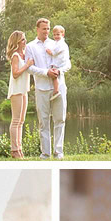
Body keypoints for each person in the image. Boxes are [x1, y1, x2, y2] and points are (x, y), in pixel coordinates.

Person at [23, 18, 66, 161]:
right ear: (37, 29)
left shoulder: (56, 43)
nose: (47, 31)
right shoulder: (30, 47)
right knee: (43, 122)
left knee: (60, 119)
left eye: (48, 29)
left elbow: (67, 63)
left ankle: (58, 152)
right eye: (44, 29)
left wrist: (58, 72)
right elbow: (29, 68)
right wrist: (45, 72)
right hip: (41, 88)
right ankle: (45, 154)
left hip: (58, 86)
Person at [6, 29, 32, 157]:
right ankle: (14, 150)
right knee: (16, 120)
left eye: (24, 38)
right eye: (22, 39)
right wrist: (27, 65)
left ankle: (19, 149)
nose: (25, 41)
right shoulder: (15, 56)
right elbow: (15, 74)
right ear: (17, 42)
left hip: (24, 90)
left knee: (21, 120)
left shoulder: (24, 54)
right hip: (16, 90)